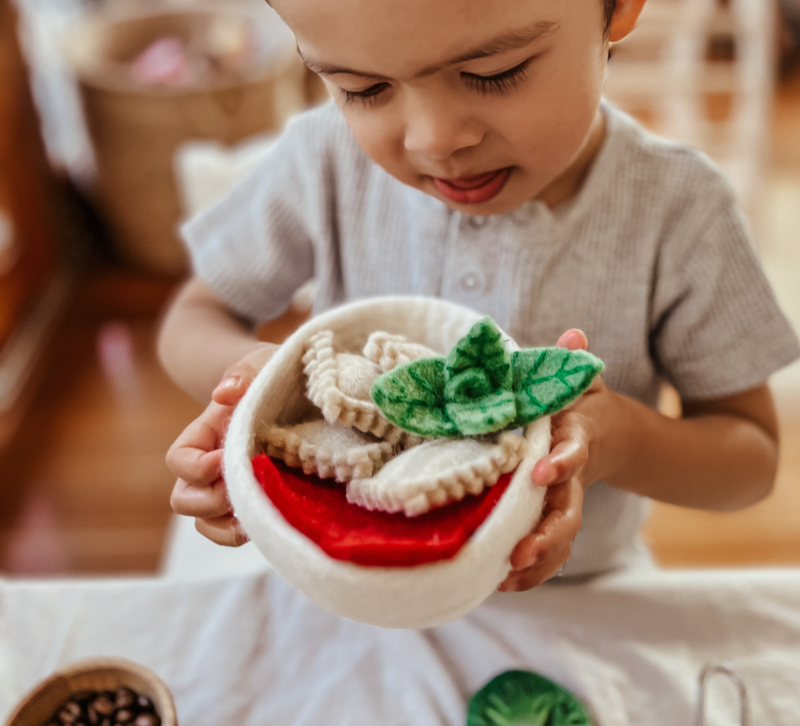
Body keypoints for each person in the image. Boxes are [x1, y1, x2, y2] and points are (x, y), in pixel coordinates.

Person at [159, 0, 800, 592]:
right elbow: (194, 319)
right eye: (364, 88)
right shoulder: (320, 163)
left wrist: (620, 440)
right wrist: (259, 389)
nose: (434, 140)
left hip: (576, 599)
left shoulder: (679, 213)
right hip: (353, 580)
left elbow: (751, 458)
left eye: (495, 72)